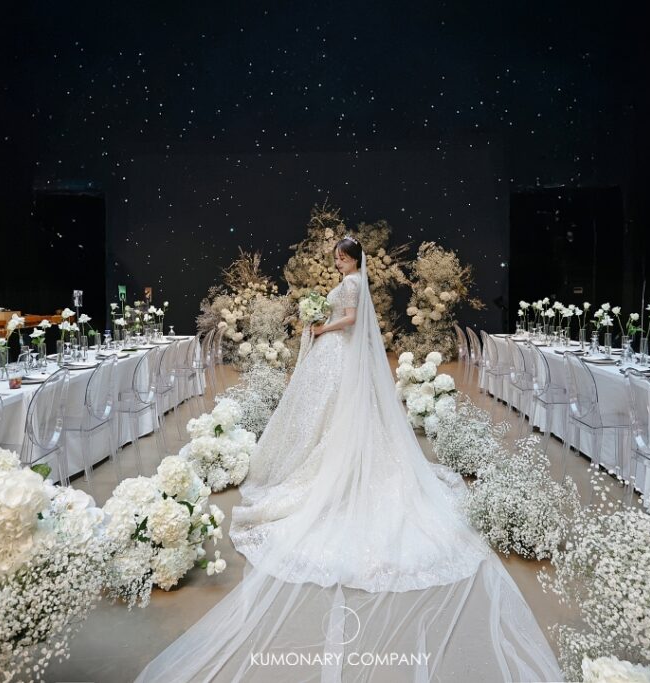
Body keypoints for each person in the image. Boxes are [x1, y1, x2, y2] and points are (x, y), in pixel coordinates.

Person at [136, 238, 561, 682]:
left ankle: (336, 460)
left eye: (342, 257)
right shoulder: (349, 281)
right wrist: (317, 321)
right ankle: (319, 452)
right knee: (321, 409)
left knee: (335, 410)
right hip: (332, 352)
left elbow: (353, 320)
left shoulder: (355, 283)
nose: (337, 262)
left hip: (338, 349)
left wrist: (322, 328)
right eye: (336, 257)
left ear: (354, 260)